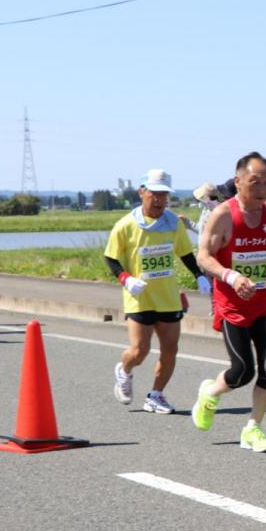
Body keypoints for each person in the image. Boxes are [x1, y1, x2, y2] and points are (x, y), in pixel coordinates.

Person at [190, 152, 266, 452]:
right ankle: (211, 393)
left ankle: (253, 428)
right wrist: (231, 277)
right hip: (233, 306)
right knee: (243, 370)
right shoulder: (223, 215)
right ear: (238, 181)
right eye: (254, 182)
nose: (261, 189)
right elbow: (203, 256)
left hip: (265, 303)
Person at [104, 169, 211, 414]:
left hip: (168, 297)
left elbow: (185, 253)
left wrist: (199, 276)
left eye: (164, 194)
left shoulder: (172, 223)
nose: (159, 199)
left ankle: (155, 395)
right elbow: (111, 257)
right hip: (139, 296)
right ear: (141, 192)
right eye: (154, 193)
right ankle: (124, 370)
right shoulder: (126, 225)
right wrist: (126, 279)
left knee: (170, 350)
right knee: (139, 351)